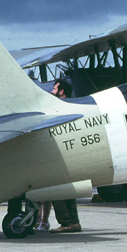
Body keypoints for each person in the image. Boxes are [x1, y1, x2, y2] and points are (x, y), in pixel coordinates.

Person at [49, 78, 82, 234]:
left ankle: (66, 223)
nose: (51, 91)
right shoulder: (74, 106)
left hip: (61, 156)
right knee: (70, 192)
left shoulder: (58, 109)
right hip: (73, 156)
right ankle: (74, 223)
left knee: (57, 190)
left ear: (61, 92)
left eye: (54, 89)